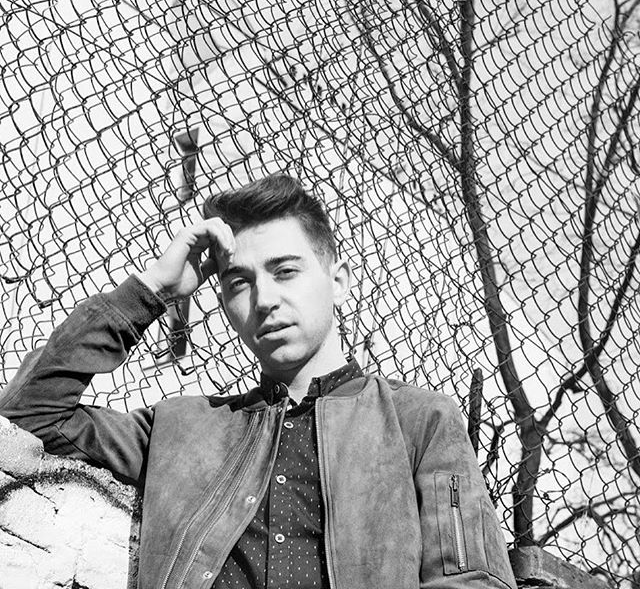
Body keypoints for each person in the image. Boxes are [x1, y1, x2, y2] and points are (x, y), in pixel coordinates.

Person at [0, 173, 517, 589]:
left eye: (285, 271)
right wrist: (151, 290)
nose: (264, 299)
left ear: (337, 281)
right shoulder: (182, 430)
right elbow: (31, 412)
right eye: (239, 283)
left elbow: (473, 580)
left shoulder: (418, 422)